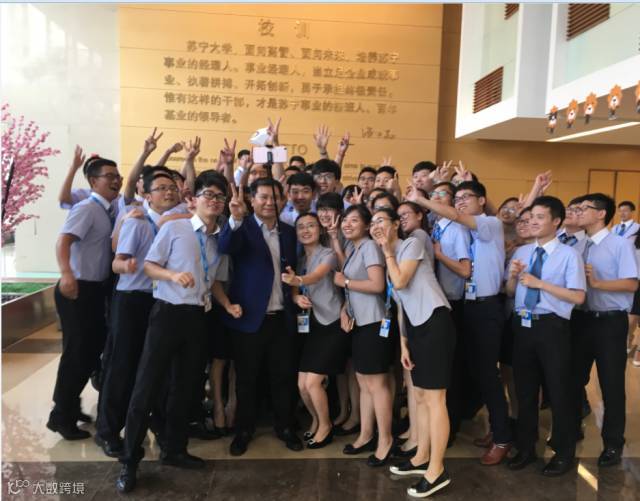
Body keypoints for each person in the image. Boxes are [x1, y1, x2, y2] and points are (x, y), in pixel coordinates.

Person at [116, 171, 238, 493]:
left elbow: (214, 281)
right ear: (193, 198)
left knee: (186, 387)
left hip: (198, 317)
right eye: (208, 194)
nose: (214, 201)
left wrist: (227, 304)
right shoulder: (175, 228)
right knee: (146, 386)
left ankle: (175, 449)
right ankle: (129, 461)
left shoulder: (218, 240)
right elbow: (149, 265)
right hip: (168, 314)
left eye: (220, 197)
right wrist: (172, 275)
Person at [406, 180, 512, 465]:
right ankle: (494, 428)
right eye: (459, 197)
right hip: (467, 306)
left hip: (487, 307)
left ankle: (503, 438)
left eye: (467, 197)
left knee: (487, 373)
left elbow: (454, 216)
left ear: (482, 201)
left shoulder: (490, 223)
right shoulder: (465, 229)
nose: (461, 201)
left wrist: (421, 198)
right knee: (472, 371)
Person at [370, 208, 454, 498]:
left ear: (396, 224)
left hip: (435, 322)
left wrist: (386, 252)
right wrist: (404, 342)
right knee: (419, 396)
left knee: (435, 399)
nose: (375, 225)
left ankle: (437, 470)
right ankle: (421, 457)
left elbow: (401, 282)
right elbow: (401, 304)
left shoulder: (411, 244)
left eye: (381, 220)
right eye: (372, 222)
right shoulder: (391, 257)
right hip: (415, 328)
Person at [95, 171, 179, 457]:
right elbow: (116, 263)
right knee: (122, 367)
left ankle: (157, 425)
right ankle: (107, 432)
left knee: (155, 369)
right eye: (161, 188)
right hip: (131, 302)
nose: (168, 192)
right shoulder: (137, 222)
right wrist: (128, 266)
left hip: (158, 301)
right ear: (147, 195)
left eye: (172, 187)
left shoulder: (173, 224)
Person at [218, 178, 303, 456]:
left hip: (281, 317)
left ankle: (285, 427)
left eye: (274, 197)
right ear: (252, 200)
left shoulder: (288, 232)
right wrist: (234, 218)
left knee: (283, 376)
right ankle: (244, 430)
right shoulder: (241, 227)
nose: (269, 203)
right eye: (263, 197)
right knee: (247, 379)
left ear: (282, 201)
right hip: (249, 318)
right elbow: (225, 246)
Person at [505, 196, 586, 476]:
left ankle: (563, 453)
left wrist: (541, 284)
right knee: (525, 391)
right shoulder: (523, 251)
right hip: (522, 325)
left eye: (540, 217)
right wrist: (513, 277)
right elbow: (511, 292)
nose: (533, 222)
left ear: (556, 221)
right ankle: (526, 448)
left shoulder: (569, 255)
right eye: (530, 218)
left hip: (552, 327)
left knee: (558, 390)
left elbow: (578, 296)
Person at [47, 154, 122, 441]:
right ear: (93, 181)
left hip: (94, 290)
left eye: (117, 176)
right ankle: (60, 416)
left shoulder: (108, 209)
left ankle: (70, 405)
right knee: (77, 353)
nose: (116, 181)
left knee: (88, 351)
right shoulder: (87, 208)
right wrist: (66, 273)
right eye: (109, 177)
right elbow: (63, 240)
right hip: (77, 288)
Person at [572, 193, 638, 467]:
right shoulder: (579, 245)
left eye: (584, 209)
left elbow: (632, 284)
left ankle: (612, 443)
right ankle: (570, 431)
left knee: (611, 384)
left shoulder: (620, 245)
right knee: (573, 379)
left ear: (601, 214)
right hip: (581, 320)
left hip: (610, 321)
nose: (578, 213)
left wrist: (598, 284)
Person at [282, 212, 348, 449]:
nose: (306, 230)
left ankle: (326, 426)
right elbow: (295, 290)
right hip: (313, 326)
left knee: (313, 383)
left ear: (320, 230)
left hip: (332, 323)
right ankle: (317, 420)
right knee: (302, 384)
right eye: (301, 227)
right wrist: (296, 297)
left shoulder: (328, 254)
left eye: (311, 225)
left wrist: (297, 282)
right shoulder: (299, 259)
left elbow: (316, 276)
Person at [334, 205, 393, 467]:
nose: (347, 224)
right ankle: (366, 435)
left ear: (367, 225)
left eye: (354, 220)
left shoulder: (369, 246)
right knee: (364, 383)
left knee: (376, 385)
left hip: (374, 322)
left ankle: (385, 440)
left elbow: (376, 285)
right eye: (345, 220)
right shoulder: (353, 249)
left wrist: (345, 282)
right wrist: (344, 309)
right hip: (359, 323)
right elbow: (352, 291)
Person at [421, 181, 475, 443]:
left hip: (454, 305)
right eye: (433, 193)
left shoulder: (458, 230)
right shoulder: (435, 228)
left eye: (443, 193)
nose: (436, 196)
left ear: (452, 201)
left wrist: (440, 256)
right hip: (434, 305)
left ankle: (450, 427)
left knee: (450, 369)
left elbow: (465, 270)